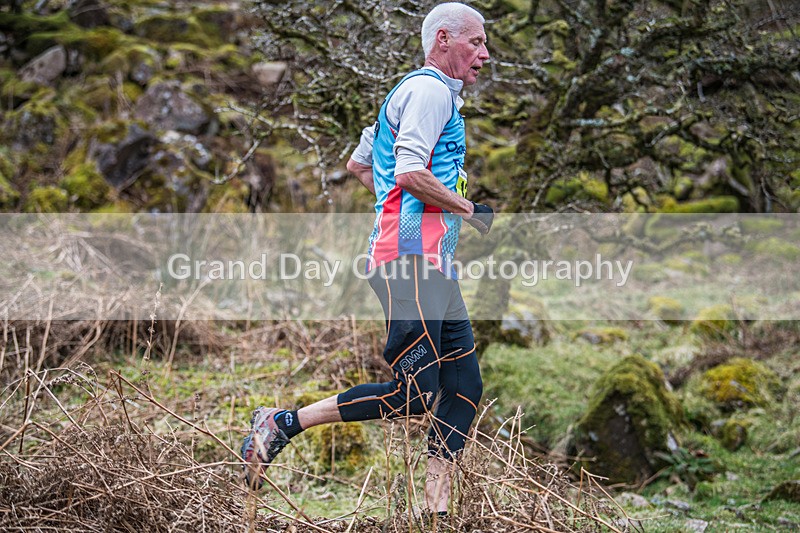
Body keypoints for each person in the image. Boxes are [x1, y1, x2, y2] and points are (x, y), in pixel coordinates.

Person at [242, 2, 494, 516]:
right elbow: (406, 172)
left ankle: (433, 513)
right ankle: (281, 423)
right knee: (414, 395)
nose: (485, 54)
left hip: (430, 265)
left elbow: (362, 164)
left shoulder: (421, 93)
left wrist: (401, 208)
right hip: (409, 263)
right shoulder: (427, 91)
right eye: (476, 42)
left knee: (464, 386)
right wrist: (468, 209)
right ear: (443, 39)